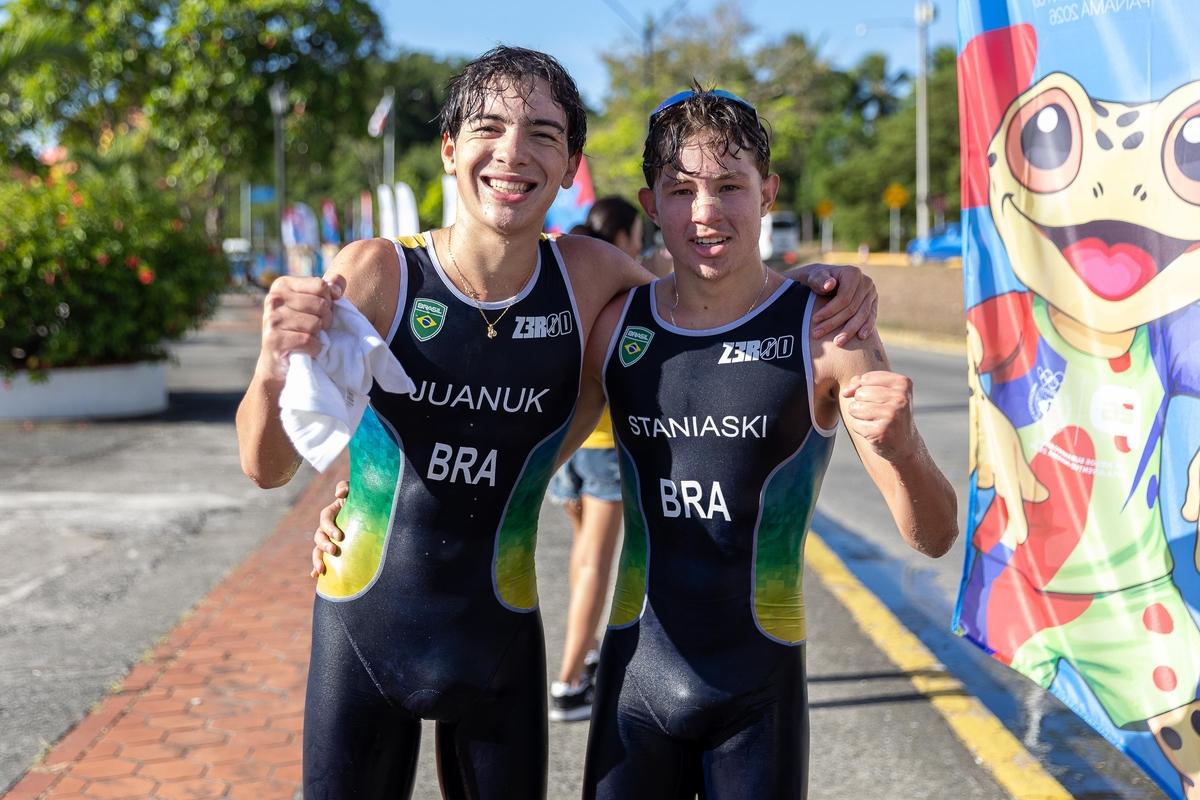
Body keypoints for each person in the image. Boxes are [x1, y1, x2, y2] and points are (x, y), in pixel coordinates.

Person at [269, 47, 876, 798]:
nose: (513, 154)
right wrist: (282, 379)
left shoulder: (592, 278)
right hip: (362, 623)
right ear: (450, 149)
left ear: (569, 165)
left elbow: (713, 294)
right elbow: (266, 464)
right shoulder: (376, 273)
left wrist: (827, 286)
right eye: (488, 128)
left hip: (499, 641)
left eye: (543, 136)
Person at [565, 88, 960, 798]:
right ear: (650, 204)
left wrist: (904, 448)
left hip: (758, 697)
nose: (706, 212)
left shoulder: (830, 335)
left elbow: (933, 536)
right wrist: (352, 500)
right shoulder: (615, 328)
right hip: (635, 684)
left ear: (769, 191)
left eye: (729, 186)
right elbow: (511, 472)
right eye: (681, 190)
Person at [546, 197, 641, 722]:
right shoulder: (619, 284)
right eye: (636, 234)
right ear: (623, 237)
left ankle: (586, 656)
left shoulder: (567, 274)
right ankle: (568, 681)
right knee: (594, 567)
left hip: (564, 446)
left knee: (583, 557)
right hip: (604, 447)